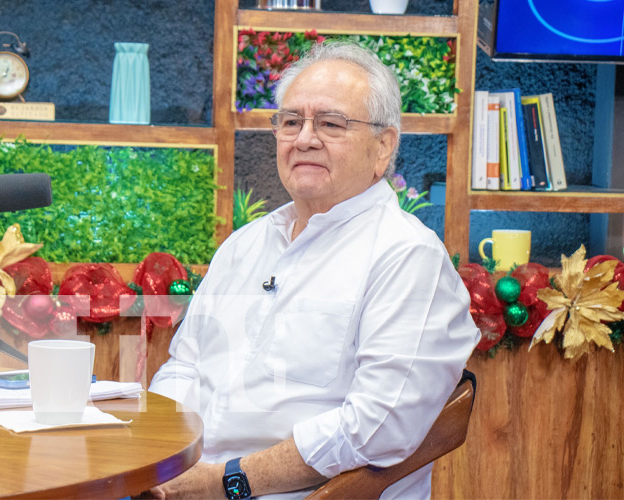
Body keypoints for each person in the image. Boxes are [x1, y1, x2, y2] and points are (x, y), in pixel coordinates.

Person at [148, 41, 480, 500]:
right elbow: (184, 367)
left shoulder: (407, 257)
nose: (304, 137)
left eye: (330, 123)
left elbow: (379, 427)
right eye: (290, 122)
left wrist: (227, 481)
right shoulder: (243, 245)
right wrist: (162, 462)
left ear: (384, 146)